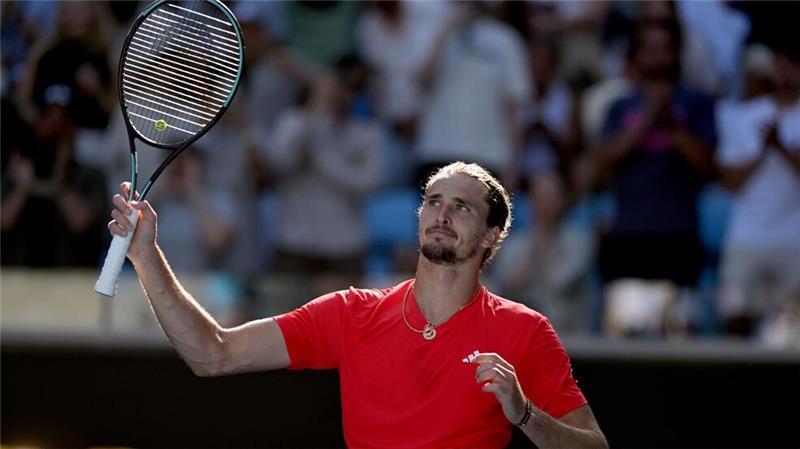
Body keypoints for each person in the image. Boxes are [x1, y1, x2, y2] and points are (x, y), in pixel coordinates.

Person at [107, 162, 607, 448]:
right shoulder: (352, 312)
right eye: (433, 200)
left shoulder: (526, 330)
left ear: (490, 237)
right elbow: (213, 353)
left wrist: (524, 414)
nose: (442, 214)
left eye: (462, 207)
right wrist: (146, 256)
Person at [716, 45, 800, 342]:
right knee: (735, 316)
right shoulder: (744, 117)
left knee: (792, 326)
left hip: (793, 239)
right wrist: (764, 152)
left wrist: (781, 148)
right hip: (746, 237)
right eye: (781, 65)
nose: (786, 73)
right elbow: (729, 181)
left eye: (793, 65)